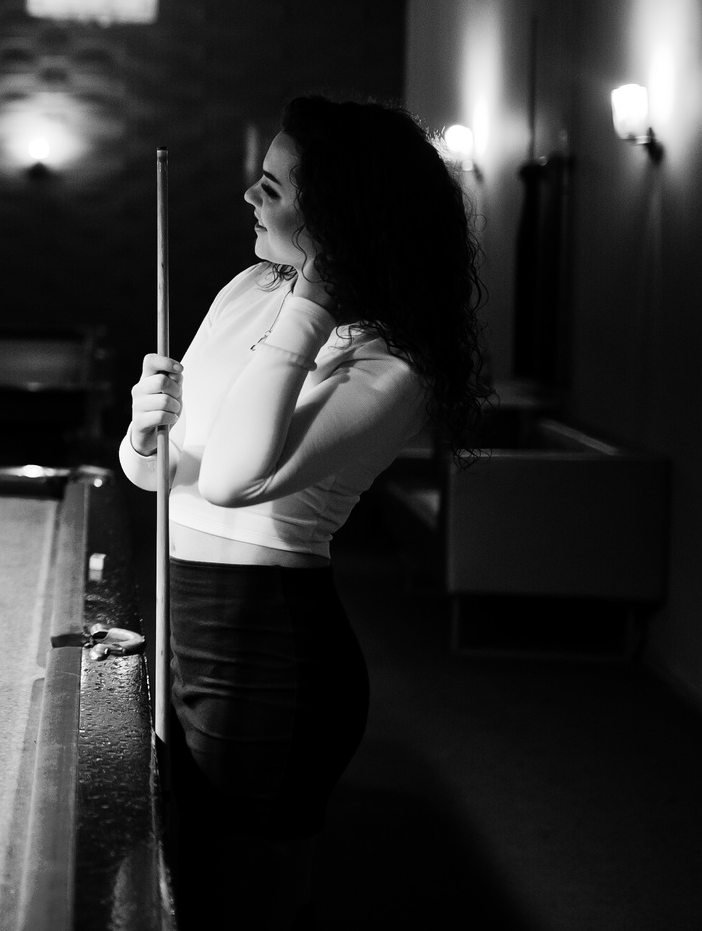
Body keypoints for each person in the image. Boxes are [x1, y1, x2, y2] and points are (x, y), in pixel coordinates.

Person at [121, 95, 486, 929]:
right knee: (179, 871)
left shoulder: (390, 364)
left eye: (274, 189)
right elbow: (163, 477)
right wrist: (145, 432)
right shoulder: (251, 285)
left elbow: (232, 483)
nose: (250, 197)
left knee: (251, 902)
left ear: (337, 217)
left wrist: (312, 308)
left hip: (269, 656)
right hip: (181, 618)